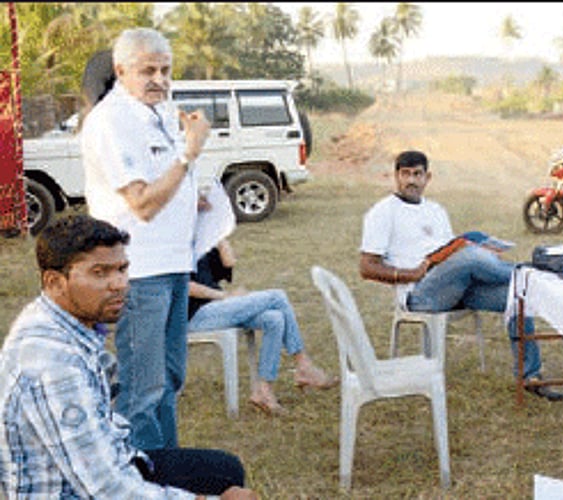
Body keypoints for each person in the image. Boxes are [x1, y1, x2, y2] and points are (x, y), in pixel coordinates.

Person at [0, 215, 256, 499]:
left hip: (98, 471)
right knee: (224, 485)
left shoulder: (62, 321)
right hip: (70, 491)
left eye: (122, 269)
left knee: (223, 469)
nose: (119, 284)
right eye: (100, 273)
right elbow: (107, 489)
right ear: (54, 281)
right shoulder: (53, 363)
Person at [80, 27, 211, 451]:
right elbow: (142, 203)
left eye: (166, 69)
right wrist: (189, 154)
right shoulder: (111, 121)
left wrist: (195, 194)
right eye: (147, 70)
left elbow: (165, 184)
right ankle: (135, 482)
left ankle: (164, 473)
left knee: (169, 380)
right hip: (140, 272)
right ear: (120, 70)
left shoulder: (156, 111)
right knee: (141, 390)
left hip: (173, 265)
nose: (159, 79)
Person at [359, 150, 563, 402]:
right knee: (471, 256)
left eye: (417, 174)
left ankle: (530, 376)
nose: (411, 180)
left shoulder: (436, 210)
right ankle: (538, 275)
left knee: (516, 295)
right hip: (421, 293)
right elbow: (366, 267)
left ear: (427, 177)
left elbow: (450, 256)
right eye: (405, 174)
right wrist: (410, 274)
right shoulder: (383, 212)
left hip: (456, 288)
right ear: (396, 177)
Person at [187, 240, 339, 416]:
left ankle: (263, 390)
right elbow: (186, 287)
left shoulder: (201, 237)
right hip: (193, 315)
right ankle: (303, 365)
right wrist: (225, 296)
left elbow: (229, 263)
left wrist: (220, 236)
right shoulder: (177, 241)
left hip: (215, 308)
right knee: (277, 297)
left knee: (274, 319)